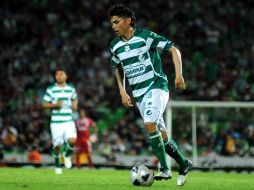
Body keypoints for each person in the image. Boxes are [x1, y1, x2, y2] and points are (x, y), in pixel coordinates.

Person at [108, 4, 192, 186]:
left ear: (128, 21)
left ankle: (164, 168)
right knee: (162, 136)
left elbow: (173, 49)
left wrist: (179, 74)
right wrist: (122, 91)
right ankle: (184, 163)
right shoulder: (115, 46)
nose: (113, 26)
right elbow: (117, 68)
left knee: (149, 124)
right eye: (111, 23)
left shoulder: (145, 36)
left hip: (156, 86)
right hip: (139, 95)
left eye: (116, 22)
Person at [42, 68, 78, 174]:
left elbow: (74, 98)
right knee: (57, 146)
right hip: (56, 122)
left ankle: (67, 155)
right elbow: (44, 104)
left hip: (68, 120)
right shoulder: (51, 89)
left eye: (61, 74)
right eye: (57, 75)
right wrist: (55, 105)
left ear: (66, 76)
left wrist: (75, 105)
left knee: (72, 140)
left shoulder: (71, 89)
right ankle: (57, 166)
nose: (59, 76)